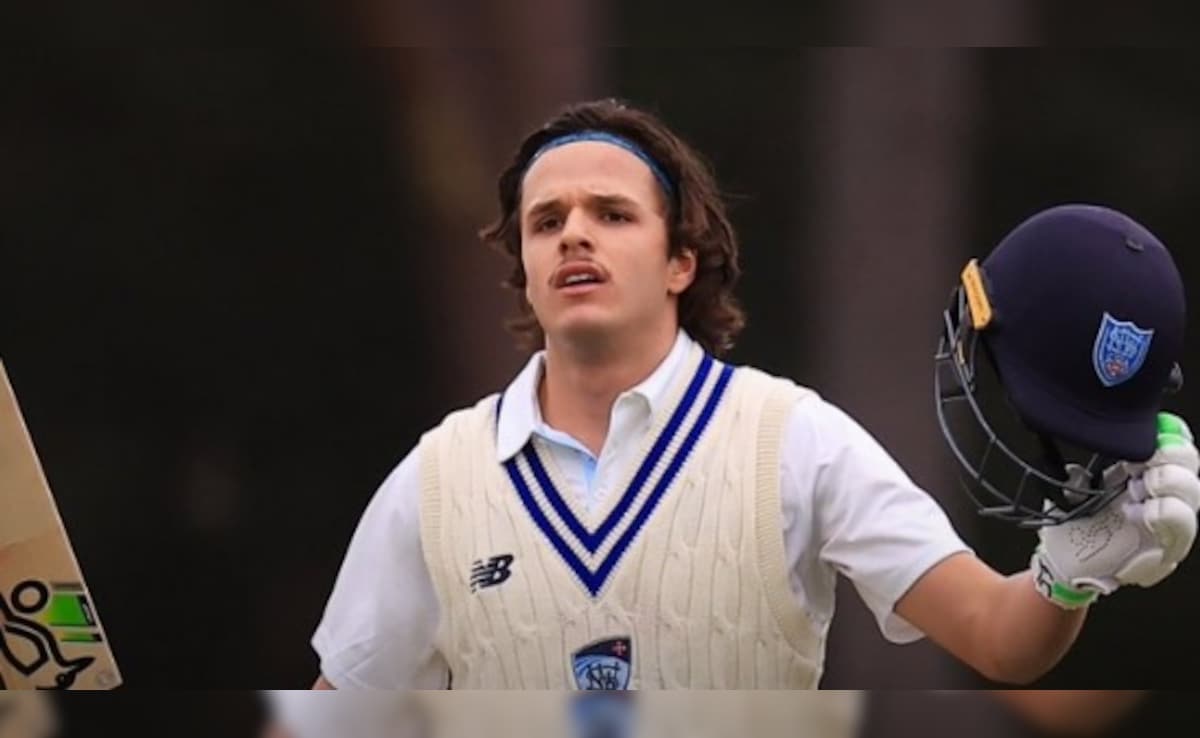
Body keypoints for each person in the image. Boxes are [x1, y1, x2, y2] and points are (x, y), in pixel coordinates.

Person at [309, 98, 1199, 689]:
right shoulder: (437, 482)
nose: (574, 235)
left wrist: (1067, 578)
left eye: (612, 214)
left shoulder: (795, 440)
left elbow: (998, 636)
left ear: (680, 262)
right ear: (526, 271)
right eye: (547, 222)